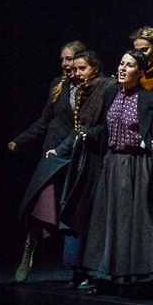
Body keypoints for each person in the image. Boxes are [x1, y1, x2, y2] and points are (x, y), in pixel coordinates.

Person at [83, 50, 153, 292]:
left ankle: (137, 276)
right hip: (112, 162)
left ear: (141, 72)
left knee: (136, 220)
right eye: (121, 63)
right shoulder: (111, 93)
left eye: (129, 65)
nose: (122, 68)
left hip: (137, 164)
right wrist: (90, 135)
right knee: (110, 219)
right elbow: (104, 126)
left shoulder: (150, 99)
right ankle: (109, 274)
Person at [9, 40, 86, 282]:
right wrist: (20, 140)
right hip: (53, 154)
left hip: (76, 154)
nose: (65, 64)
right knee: (41, 204)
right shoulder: (58, 85)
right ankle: (28, 249)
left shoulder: (90, 85)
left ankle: (79, 268)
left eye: (69, 59)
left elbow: (83, 125)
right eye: (62, 59)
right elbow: (44, 121)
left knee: (74, 210)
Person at [47, 51, 117, 290]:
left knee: (91, 214)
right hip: (82, 158)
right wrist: (60, 150)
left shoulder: (107, 87)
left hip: (97, 160)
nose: (77, 73)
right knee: (75, 210)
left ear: (95, 68)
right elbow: (79, 129)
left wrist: (91, 135)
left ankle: (92, 271)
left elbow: (105, 125)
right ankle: (77, 270)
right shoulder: (81, 91)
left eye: (82, 68)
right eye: (75, 69)